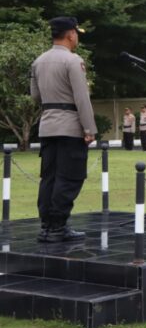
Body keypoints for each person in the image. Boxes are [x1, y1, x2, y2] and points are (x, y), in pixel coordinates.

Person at [30, 16, 96, 242]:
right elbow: (81, 98)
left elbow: (35, 96)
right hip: (70, 127)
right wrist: (89, 128)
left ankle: (47, 225)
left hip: (48, 126)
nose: (76, 37)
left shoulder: (38, 61)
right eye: (76, 33)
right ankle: (58, 226)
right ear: (70, 34)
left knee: (49, 178)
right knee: (69, 177)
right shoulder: (73, 61)